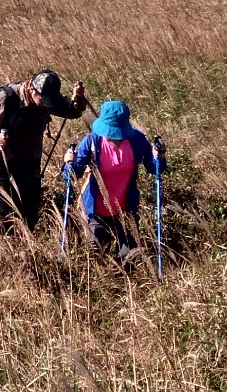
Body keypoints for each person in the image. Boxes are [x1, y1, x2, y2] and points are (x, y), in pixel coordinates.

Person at [0, 70, 87, 233]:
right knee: (7, 218)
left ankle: (25, 251)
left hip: (29, 164)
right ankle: (0, 250)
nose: (47, 105)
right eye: (44, 100)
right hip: (2, 164)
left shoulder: (47, 97)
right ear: (32, 89)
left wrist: (78, 98)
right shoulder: (7, 98)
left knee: (30, 217)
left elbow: (72, 112)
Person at [61, 100, 164, 267]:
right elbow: (73, 174)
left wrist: (159, 157)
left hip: (126, 209)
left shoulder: (136, 139)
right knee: (98, 258)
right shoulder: (93, 141)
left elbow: (154, 167)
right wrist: (69, 163)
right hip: (96, 211)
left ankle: (130, 289)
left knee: (131, 259)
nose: (113, 136)